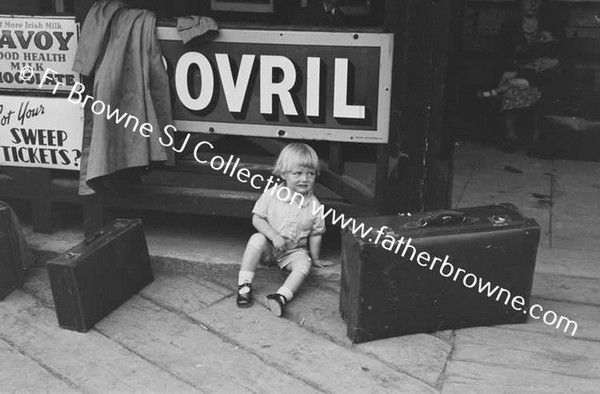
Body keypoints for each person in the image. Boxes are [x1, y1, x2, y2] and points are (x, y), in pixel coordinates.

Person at [236, 143, 331, 317]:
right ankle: (244, 285)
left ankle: (281, 296)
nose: (305, 179)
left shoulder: (315, 205)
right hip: (270, 248)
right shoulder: (272, 194)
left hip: (292, 252)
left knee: (304, 264)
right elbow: (257, 218)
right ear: (283, 174)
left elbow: (316, 233)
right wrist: (273, 235)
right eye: (298, 173)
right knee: (257, 239)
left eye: (310, 174)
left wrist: (315, 257)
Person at [477, 0, 568, 153]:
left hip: (545, 76)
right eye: (528, 1)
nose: (532, 4)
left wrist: (555, 61)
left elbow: (565, 52)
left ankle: (536, 139)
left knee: (545, 93)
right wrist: (517, 66)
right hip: (519, 72)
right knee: (512, 89)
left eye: (536, 1)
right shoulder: (510, 25)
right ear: (520, 3)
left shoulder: (552, 24)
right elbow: (501, 55)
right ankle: (510, 136)